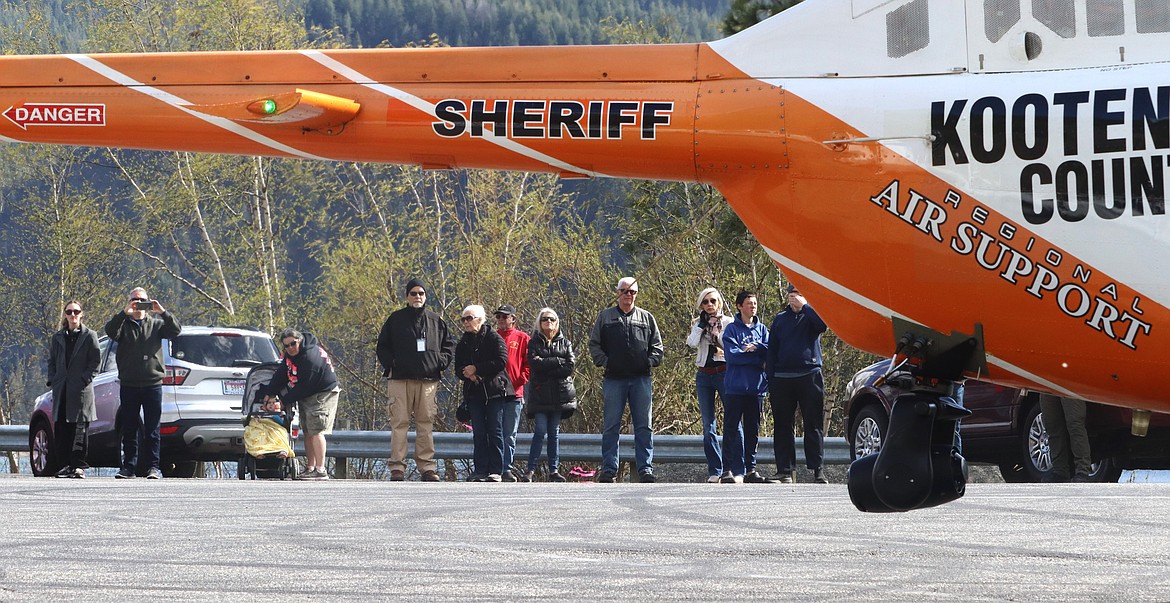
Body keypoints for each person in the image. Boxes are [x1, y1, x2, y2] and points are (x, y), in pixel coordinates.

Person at [376, 278, 455, 482]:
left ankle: (427, 468)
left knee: (425, 423)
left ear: (425, 296)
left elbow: (449, 346)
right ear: (407, 296)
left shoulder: (436, 320)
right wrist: (391, 363)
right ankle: (397, 468)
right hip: (399, 380)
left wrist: (440, 361)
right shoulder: (395, 319)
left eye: (421, 293)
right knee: (399, 423)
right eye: (413, 293)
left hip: (428, 381)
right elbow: (382, 346)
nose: (417, 297)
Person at [589, 276, 663, 483]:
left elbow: (657, 347)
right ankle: (609, 469)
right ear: (617, 292)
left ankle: (645, 468)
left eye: (632, 291)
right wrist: (605, 362)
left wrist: (649, 362)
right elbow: (594, 344)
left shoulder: (647, 318)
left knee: (644, 426)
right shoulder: (605, 317)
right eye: (624, 291)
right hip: (614, 379)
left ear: (637, 294)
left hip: (641, 380)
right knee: (611, 425)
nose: (628, 295)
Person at [105, 287, 182, 479]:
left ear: (148, 302)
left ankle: (153, 467)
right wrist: (124, 313)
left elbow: (175, 330)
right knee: (129, 428)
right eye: (135, 300)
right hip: (129, 383)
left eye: (142, 300)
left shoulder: (156, 325)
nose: (138, 303)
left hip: (152, 383)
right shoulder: (124, 326)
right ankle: (128, 467)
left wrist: (162, 312)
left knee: (152, 428)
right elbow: (109, 331)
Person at [767, 283, 829, 484]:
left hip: (809, 374)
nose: (795, 297)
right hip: (783, 378)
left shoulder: (812, 315)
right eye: (792, 294)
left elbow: (822, 326)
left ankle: (817, 470)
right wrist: (771, 377)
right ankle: (784, 470)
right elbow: (772, 350)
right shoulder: (780, 319)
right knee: (783, 425)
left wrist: (805, 307)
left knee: (813, 424)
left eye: (799, 294)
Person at [262, 329, 340, 480]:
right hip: (307, 393)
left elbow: (305, 386)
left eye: (293, 344)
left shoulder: (310, 358)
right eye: (286, 346)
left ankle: (320, 469)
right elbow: (282, 374)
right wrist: (269, 393)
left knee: (316, 429)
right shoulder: (290, 356)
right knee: (307, 430)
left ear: (300, 341)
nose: (290, 348)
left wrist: (284, 401)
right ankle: (310, 467)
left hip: (322, 393)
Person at [455, 304, 514, 482]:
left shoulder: (493, 338)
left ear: (480, 320)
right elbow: (457, 368)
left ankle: (496, 470)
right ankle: (480, 470)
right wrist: (467, 374)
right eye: (463, 319)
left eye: (469, 318)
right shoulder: (463, 342)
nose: (465, 322)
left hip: (494, 392)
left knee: (495, 431)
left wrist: (477, 369)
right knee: (479, 432)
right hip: (474, 393)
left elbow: (501, 361)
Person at [685, 287, 735, 483]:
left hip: (724, 373)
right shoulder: (698, 324)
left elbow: (729, 344)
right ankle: (715, 469)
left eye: (713, 301)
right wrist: (702, 326)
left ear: (719, 303)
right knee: (708, 425)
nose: (709, 305)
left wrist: (716, 330)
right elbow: (691, 343)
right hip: (704, 375)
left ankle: (732, 468)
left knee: (732, 422)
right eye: (705, 302)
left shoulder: (730, 322)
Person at [721, 291, 771, 484]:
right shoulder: (732, 330)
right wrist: (756, 358)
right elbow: (732, 356)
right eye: (749, 303)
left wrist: (757, 348)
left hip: (756, 388)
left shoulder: (763, 330)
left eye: (755, 303)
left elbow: (769, 352)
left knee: (753, 430)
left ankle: (751, 469)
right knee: (731, 429)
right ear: (739, 306)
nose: (753, 306)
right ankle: (727, 470)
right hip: (736, 387)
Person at [47, 300, 102, 479]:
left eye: (76, 312)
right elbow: (52, 361)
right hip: (62, 389)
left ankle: (78, 466)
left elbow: (95, 362)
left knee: (80, 430)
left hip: (81, 391)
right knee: (62, 429)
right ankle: (64, 466)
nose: (73, 315)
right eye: (69, 312)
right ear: (65, 315)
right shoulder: (58, 337)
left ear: (81, 314)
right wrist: (53, 380)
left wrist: (84, 379)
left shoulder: (89, 336)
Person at [523, 308, 577, 482]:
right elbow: (534, 365)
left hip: (560, 395)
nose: (548, 322)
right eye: (544, 319)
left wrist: (545, 362)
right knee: (540, 431)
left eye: (552, 319)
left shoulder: (565, 343)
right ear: (539, 322)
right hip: (540, 395)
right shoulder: (533, 343)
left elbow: (569, 366)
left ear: (557, 322)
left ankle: (554, 470)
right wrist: (557, 362)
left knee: (554, 432)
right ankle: (530, 469)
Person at [494, 304, 530, 481]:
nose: (501, 320)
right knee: (495, 432)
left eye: (504, 316)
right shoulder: (493, 337)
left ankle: (506, 468)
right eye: (499, 317)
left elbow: (528, 364)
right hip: (495, 393)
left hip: (515, 393)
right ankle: (495, 468)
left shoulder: (523, 338)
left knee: (510, 433)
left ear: (513, 318)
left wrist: (521, 379)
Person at [1040, 394, 1093, 483]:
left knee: (1075, 424)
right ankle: (1059, 471)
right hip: (1047, 384)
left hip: (1069, 383)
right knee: (1052, 425)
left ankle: (1083, 470)